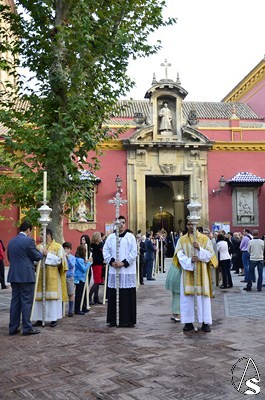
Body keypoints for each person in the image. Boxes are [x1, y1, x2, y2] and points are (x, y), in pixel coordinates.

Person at [174, 220, 218, 333]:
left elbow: (210, 255)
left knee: (203, 299)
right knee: (187, 299)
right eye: (188, 224)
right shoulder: (182, 240)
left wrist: (200, 249)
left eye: (192, 224)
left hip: (202, 274)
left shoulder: (204, 239)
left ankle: (205, 322)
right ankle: (188, 322)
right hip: (187, 274)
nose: (190, 226)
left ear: (196, 225)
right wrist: (189, 261)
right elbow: (178, 254)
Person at [7, 221, 43, 335]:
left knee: (15, 302)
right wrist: (42, 252)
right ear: (28, 230)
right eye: (31, 231)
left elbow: (9, 257)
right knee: (26, 301)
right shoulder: (28, 241)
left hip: (14, 275)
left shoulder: (11, 241)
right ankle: (27, 327)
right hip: (26, 276)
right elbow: (36, 256)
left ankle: (13, 327)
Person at [103, 215, 137, 327]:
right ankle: (113, 320)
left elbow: (134, 252)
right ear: (115, 223)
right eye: (118, 222)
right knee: (113, 296)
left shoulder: (130, 237)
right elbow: (105, 250)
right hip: (114, 270)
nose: (121, 225)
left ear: (125, 224)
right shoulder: (111, 237)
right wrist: (112, 262)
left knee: (127, 296)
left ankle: (128, 320)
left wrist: (124, 262)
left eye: (123, 222)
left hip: (126, 271)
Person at [32, 228, 68, 328]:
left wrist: (47, 255)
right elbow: (34, 260)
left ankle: (53, 318)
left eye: (42, 235)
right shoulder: (38, 247)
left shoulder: (58, 247)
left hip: (53, 276)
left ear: (48, 236)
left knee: (52, 299)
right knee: (39, 297)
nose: (40, 237)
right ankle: (39, 318)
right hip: (41, 275)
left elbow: (60, 261)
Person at [74, 245, 91, 315]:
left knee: (81, 294)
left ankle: (82, 307)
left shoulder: (79, 259)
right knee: (79, 294)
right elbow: (83, 269)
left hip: (81, 278)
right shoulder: (79, 260)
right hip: (79, 278)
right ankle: (77, 309)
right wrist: (89, 263)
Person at [89, 231, 104, 305]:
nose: (100, 238)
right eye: (99, 237)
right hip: (96, 264)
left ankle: (96, 297)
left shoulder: (99, 245)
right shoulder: (94, 246)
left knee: (98, 282)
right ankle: (89, 296)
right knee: (96, 282)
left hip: (100, 264)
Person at [165, 258, 181, 322]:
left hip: (174, 271)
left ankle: (174, 313)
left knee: (175, 295)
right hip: (178, 273)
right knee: (178, 295)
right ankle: (177, 314)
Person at [63, 242, 76, 317]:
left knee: (71, 293)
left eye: (67, 248)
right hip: (62, 276)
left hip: (69, 277)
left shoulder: (72, 257)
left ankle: (70, 310)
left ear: (70, 249)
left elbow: (72, 266)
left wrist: (67, 258)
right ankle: (61, 310)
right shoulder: (61, 256)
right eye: (64, 248)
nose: (66, 250)